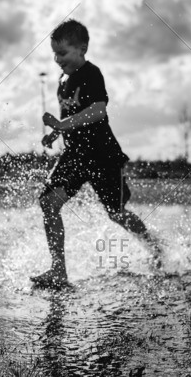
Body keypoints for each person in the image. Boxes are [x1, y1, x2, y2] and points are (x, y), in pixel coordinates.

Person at [31, 19, 161, 288]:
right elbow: (69, 116)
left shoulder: (92, 74)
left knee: (116, 213)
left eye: (63, 53)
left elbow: (98, 111)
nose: (57, 59)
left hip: (102, 154)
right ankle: (58, 270)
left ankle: (155, 248)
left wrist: (61, 125)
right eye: (54, 53)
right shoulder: (62, 80)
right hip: (75, 154)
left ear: (82, 48)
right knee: (48, 202)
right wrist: (55, 132)